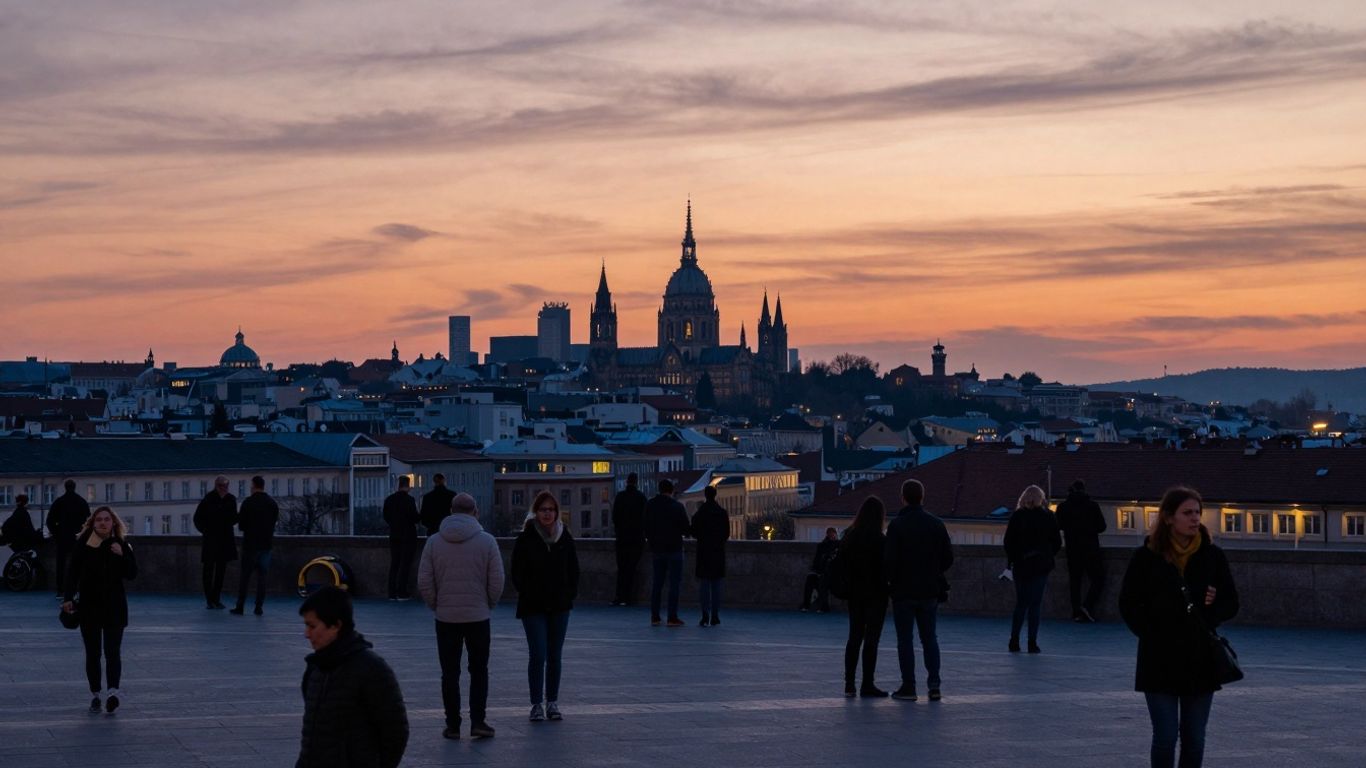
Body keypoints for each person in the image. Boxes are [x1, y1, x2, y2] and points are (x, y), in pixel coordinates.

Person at [1120, 486, 1239, 768]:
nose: (1195, 518)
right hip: (1158, 658)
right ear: (1168, 517)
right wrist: (1150, 633)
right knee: (1165, 736)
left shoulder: (1212, 556)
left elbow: (1231, 601)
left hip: (1200, 658)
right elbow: (1128, 604)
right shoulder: (1146, 557)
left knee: (1194, 737)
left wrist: (1211, 614)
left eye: (1198, 512)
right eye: (1187, 513)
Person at [417, 492, 504, 740]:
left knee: (449, 673)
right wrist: (487, 604)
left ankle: (453, 725)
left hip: (446, 618)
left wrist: (437, 605)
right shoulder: (487, 541)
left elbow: (424, 580)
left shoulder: (434, 542)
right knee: (479, 670)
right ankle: (478, 721)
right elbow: (497, 581)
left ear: (451, 511)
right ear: (475, 511)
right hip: (478, 616)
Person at [296, 586, 409, 768]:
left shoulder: (372, 669)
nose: (306, 634)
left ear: (336, 625)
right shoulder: (316, 667)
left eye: (312, 626)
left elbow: (395, 732)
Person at [511, 491, 580, 722]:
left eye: (551, 510)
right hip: (533, 606)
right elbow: (517, 572)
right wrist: (528, 591)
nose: (547, 514)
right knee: (538, 654)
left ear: (556, 512)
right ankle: (535, 704)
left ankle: (552, 702)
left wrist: (569, 593)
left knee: (554, 655)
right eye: (543, 510)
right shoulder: (526, 538)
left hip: (560, 605)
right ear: (536, 512)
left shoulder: (564, 537)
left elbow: (574, 570)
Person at [61, 505, 137, 714]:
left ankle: (112, 693)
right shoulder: (84, 545)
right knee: (93, 653)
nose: (102, 523)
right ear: (93, 524)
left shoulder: (121, 544)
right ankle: (96, 692)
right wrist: (68, 598)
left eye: (106, 519)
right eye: (98, 520)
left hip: (115, 606)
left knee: (112, 652)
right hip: (89, 606)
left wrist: (122, 554)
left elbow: (132, 573)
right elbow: (72, 573)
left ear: (113, 523)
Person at [884, 479, 953, 702]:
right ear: (922, 497)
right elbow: (947, 559)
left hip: (903, 591)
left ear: (903, 498)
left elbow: (889, 561)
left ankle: (909, 686)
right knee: (929, 638)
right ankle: (934, 685)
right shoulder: (936, 524)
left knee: (905, 640)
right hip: (929, 590)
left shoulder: (896, 526)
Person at [1003, 485, 1062, 654]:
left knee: (1021, 603)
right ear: (1040, 499)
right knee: (1035, 604)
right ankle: (1032, 642)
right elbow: (1056, 542)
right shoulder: (1048, 516)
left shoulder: (1017, 516)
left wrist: (1015, 558)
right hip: (1041, 565)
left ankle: (1014, 640)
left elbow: (1008, 542)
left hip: (1021, 565)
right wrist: (1047, 556)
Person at [842, 497, 890, 698]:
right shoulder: (881, 541)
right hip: (877, 594)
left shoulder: (850, 536)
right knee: (871, 639)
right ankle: (867, 683)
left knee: (854, 637)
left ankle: (849, 683)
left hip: (855, 593)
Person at [1056, 479, 1108, 622]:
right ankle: (1087, 606)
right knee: (1098, 578)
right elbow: (1102, 527)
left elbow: (1057, 525)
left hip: (1072, 549)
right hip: (1091, 548)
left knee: (1075, 582)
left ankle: (1076, 612)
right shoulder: (1092, 506)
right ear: (1084, 490)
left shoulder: (1063, 507)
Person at [643, 478, 690, 627]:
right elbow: (685, 528)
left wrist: (652, 540)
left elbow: (645, 526)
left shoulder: (650, 505)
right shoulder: (677, 506)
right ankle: (672, 617)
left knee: (657, 583)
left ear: (659, 489)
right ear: (671, 491)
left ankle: (655, 616)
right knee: (674, 584)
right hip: (674, 548)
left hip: (657, 549)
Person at [231, 476, 279, 616]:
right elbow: (274, 522)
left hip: (251, 544)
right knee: (262, 578)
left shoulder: (248, 503)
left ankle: (240, 606)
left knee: (245, 577)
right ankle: (259, 607)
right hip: (266, 544)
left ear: (253, 486)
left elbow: (242, 525)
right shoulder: (272, 503)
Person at [193, 476, 238, 609]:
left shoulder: (230, 499)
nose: (223, 488)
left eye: (225, 486)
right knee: (208, 570)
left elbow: (234, 518)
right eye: (220, 486)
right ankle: (210, 599)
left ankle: (216, 598)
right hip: (212, 540)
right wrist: (206, 531)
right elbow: (197, 518)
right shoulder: (209, 499)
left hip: (223, 540)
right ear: (216, 486)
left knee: (220, 572)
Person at [690, 485, 729, 627]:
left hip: (703, 552)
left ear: (705, 495)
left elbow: (693, 532)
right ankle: (715, 615)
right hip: (718, 552)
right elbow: (726, 534)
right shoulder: (722, 513)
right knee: (716, 586)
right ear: (715, 495)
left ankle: (704, 615)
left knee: (704, 586)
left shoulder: (700, 514)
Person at [47, 479, 90, 597]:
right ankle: (78, 588)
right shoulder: (81, 502)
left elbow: (50, 521)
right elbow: (88, 521)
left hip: (63, 537)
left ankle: (60, 590)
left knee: (61, 565)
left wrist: (56, 534)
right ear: (74, 487)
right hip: (78, 538)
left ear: (65, 487)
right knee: (79, 564)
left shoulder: (59, 502)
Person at [610, 473, 647, 606]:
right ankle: (629, 597)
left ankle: (619, 596)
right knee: (632, 568)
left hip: (622, 538)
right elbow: (645, 519)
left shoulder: (620, 497)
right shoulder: (641, 497)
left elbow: (615, 517)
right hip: (636, 539)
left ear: (627, 482)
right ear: (636, 482)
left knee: (622, 568)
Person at [383, 475, 420, 601]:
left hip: (394, 535)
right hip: (408, 536)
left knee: (395, 564)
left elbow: (386, 517)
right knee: (405, 564)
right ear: (408, 486)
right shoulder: (409, 500)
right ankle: (402, 592)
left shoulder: (389, 500)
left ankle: (391, 592)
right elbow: (415, 518)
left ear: (398, 485)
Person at [799, 527, 839, 612]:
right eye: (830, 534)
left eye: (832, 534)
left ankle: (824, 606)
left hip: (832, 573)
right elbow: (817, 561)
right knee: (810, 579)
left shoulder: (838, 545)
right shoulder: (822, 546)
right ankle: (806, 604)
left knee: (822, 581)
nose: (831, 536)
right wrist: (816, 570)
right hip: (821, 571)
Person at [420, 473, 456, 537]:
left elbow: (423, 518)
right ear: (444, 481)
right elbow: (456, 513)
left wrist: (430, 525)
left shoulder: (427, 497)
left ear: (434, 482)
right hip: (449, 531)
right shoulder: (452, 495)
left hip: (433, 531)